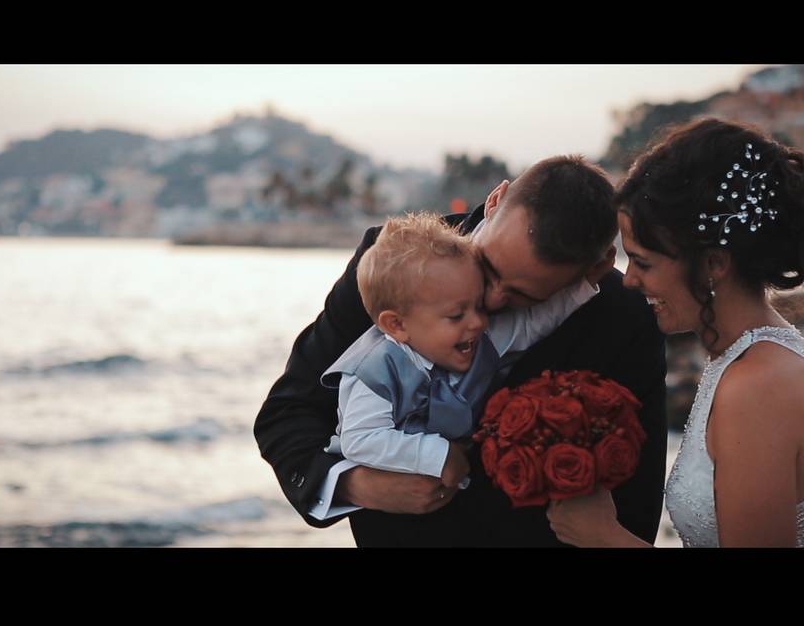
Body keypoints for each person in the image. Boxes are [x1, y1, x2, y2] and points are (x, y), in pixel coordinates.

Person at [255, 155, 669, 547]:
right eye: (487, 269)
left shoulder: (624, 316)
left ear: (592, 270)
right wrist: (358, 485)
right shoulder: (389, 265)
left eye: (523, 295)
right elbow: (289, 411)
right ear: (495, 201)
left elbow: (635, 500)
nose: (490, 301)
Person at [547, 118, 804, 548]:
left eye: (643, 263)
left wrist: (604, 537)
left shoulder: (758, 386)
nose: (629, 281)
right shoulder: (743, 361)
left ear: (712, 265)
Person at [321, 212, 597, 493]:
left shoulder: (477, 340)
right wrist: (438, 455)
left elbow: (530, 325)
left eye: (479, 306)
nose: (478, 322)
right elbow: (361, 439)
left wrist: (582, 285)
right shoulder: (374, 372)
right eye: (456, 315)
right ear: (397, 324)